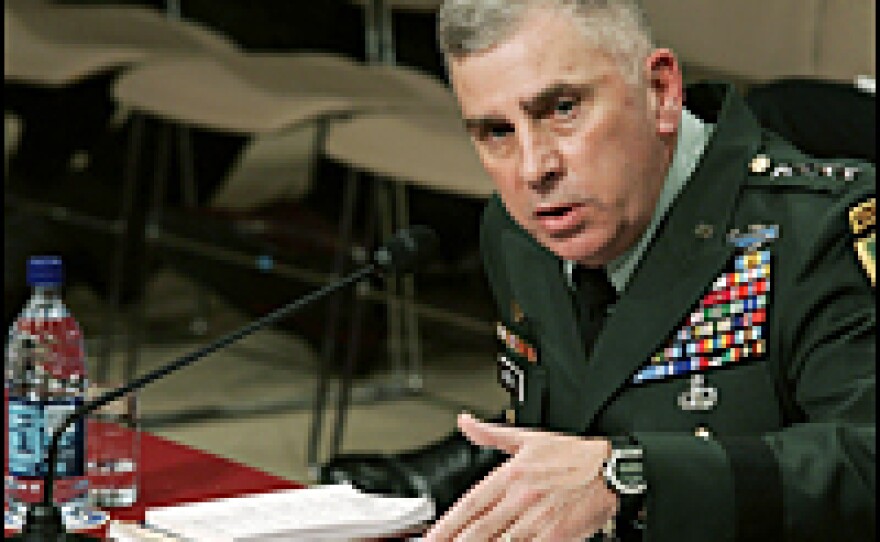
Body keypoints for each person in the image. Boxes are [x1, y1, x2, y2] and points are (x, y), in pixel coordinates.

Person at [321, 1, 876, 540]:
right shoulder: (517, 234)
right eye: (496, 132)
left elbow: (866, 463)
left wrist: (633, 476)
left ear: (660, 92)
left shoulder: (818, 229)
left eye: (562, 109)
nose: (535, 168)